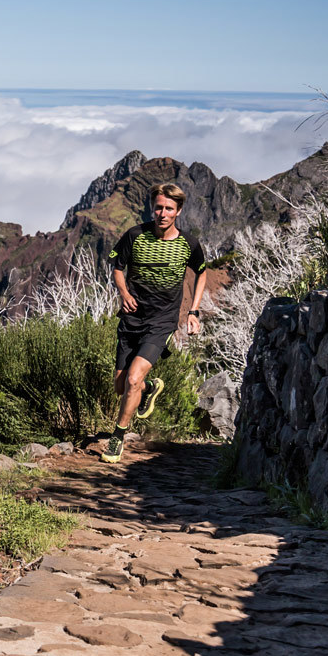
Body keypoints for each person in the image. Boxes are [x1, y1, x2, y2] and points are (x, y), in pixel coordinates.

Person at [100, 182, 205, 463]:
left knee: (133, 378)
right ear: (152, 208)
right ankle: (150, 387)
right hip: (132, 319)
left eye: (169, 208)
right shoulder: (134, 235)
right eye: (158, 207)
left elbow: (202, 272)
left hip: (162, 322)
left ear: (178, 211)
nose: (162, 213)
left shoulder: (189, 244)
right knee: (121, 386)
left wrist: (193, 312)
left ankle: (117, 438)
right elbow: (117, 267)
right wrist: (123, 293)